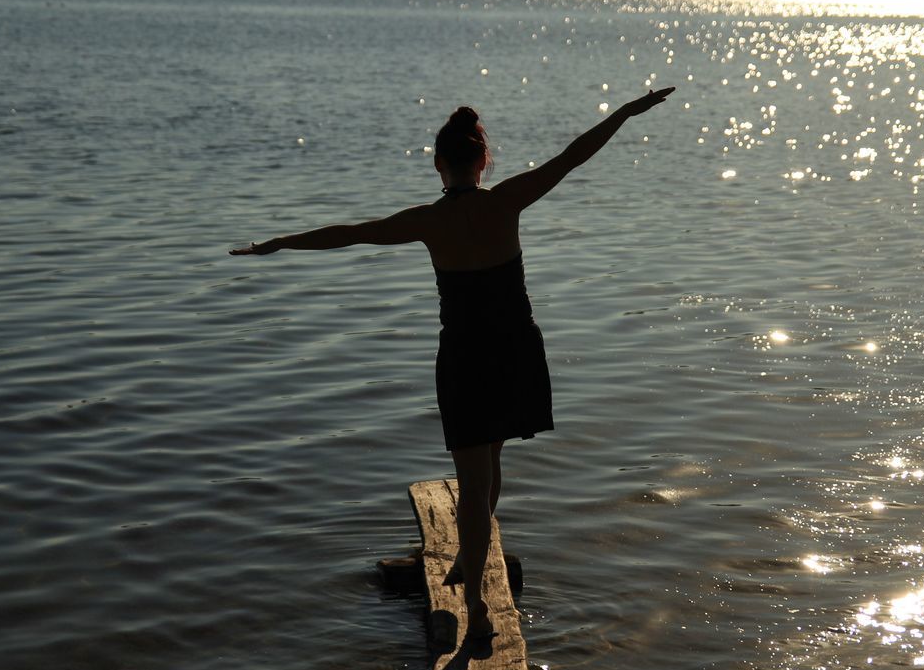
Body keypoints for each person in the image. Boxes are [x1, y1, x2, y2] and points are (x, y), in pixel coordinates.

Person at [231, 87, 674, 640]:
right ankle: (471, 562)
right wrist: (628, 111)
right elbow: (574, 155)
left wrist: (280, 243)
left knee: (475, 475)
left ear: (439, 164)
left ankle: (480, 607)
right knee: (489, 467)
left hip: (466, 354)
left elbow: (351, 235)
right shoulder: (507, 200)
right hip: (515, 347)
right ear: (483, 161)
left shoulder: (425, 221)